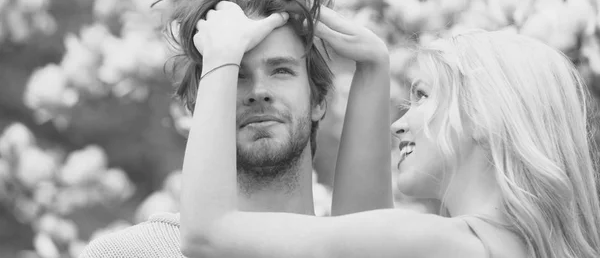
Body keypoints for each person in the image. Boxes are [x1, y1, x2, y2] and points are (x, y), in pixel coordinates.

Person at [179, 21, 600, 258]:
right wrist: (372, 67)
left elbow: (207, 235)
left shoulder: (442, 244)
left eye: (423, 96)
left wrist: (220, 60)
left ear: (485, 115)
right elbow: (361, 239)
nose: (399, 125)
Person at [78, 0, 391, 257]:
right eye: (236, 75)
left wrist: (374, 65)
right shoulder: (126, 253)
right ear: (197, 107)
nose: (259, 90)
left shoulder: (350, 249)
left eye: (281, 70)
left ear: (318, 100)